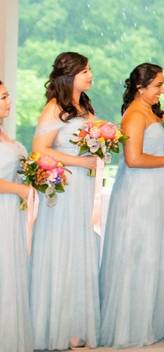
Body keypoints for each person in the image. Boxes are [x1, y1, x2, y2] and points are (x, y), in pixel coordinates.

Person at [99, 63, 164, 348]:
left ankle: (149, 321)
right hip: (139, 193)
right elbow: (133, 158)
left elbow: (158, 150)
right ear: (140, 87)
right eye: (158, 85)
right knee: (138, 255)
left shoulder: (154, 113)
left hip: (158, 189)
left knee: (155, 254)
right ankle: (129, 326)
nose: (162, 90)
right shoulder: (135, 115)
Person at [30, 52, 101, 350]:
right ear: (70, 75)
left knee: (79, 250)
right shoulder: (54, 107)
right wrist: (79, 162)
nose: (90, 75)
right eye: (85, 71)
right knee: (64, 250)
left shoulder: (82, 106)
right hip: (65, 186)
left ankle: (75, 324)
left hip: (84, 188)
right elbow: (39, 150)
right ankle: (57, 326)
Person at [0, 80, 33, 352]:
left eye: (7, 95)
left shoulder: (5, 136)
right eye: (3, 97)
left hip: (11, 212)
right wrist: (19, 188)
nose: (8, 101)